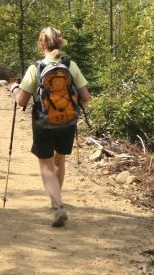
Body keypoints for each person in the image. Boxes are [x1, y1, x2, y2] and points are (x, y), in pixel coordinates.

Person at [12, 27, 90, 227]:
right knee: (59, 158)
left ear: (41, 44)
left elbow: (21, 101)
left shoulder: (36, 68)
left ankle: (58, 205)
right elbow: (86, 97)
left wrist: (14, 89)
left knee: (46, 166)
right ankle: (56, 201)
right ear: (60, 43)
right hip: (67, 121)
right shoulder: (70, 65)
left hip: (43, 122)